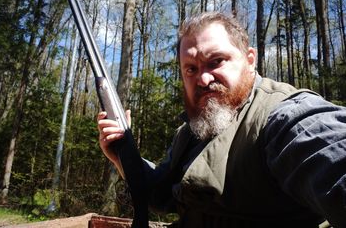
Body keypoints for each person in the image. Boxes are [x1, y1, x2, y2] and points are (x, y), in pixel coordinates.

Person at [97, 12, 346, 228]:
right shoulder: (190, 132)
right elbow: (161, 195)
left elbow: (330, 153)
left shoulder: (284, 115)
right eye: (191, 69)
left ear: (250, 60)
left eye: (216, 61)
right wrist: (124, 157)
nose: (203, 79)